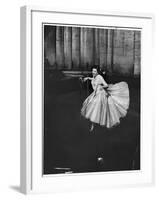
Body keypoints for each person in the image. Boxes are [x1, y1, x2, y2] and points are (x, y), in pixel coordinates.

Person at [81, 66, 129, 132]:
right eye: (92, 71)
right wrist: (88, 78)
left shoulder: (100, 77)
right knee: (92, 107)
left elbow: (106, 85)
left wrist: (101, 87)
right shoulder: (95, 77)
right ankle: (93, 124)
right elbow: (94, 79)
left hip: (100, 94)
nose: (93, 72)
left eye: (95, 71)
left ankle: (94, 124)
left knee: (96, 108)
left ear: (97, 72)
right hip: (95, 93)